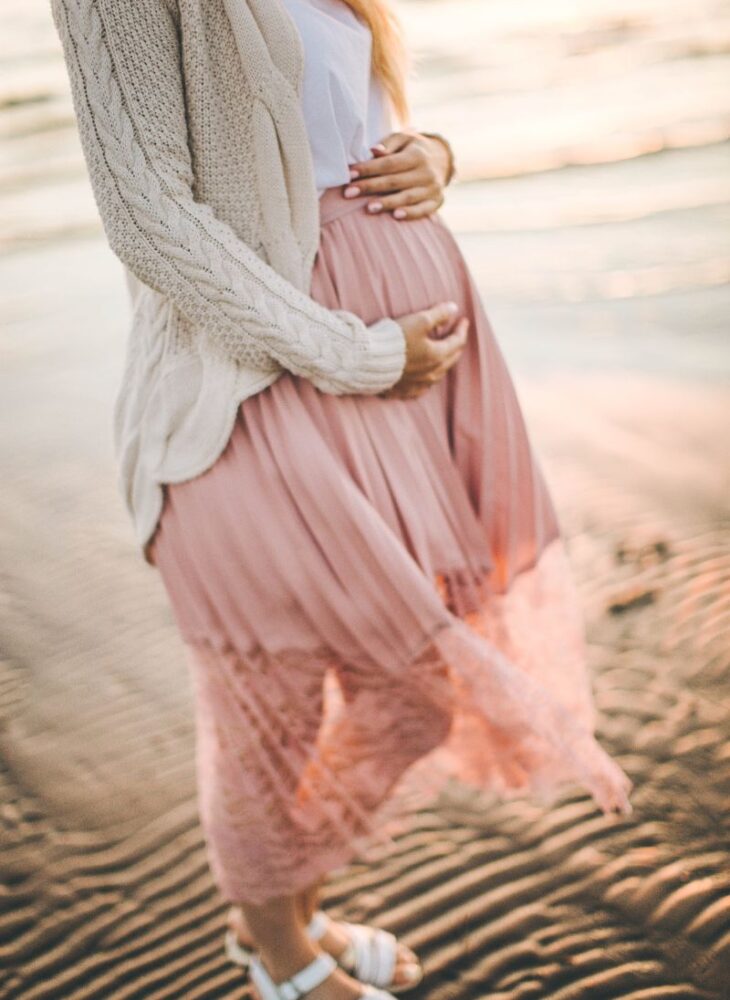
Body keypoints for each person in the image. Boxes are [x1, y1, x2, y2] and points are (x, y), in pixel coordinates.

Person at [52, 1, 633, 997]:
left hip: (392, 392)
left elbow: (335, 123)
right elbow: (147, 210)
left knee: (407, 695)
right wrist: (348, 352)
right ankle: (277, 956)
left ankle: (290, 916)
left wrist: (432, 154)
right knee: (267, 708)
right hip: (252, 384)